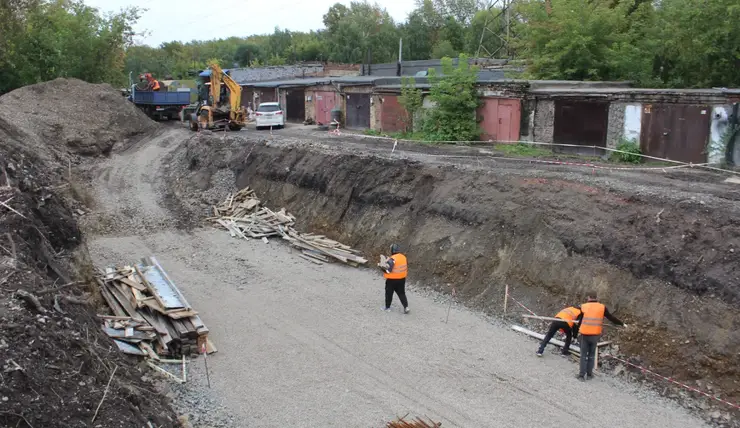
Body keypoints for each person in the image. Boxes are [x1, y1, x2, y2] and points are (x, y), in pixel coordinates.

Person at [575, 292, 627, 381]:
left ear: (588, 297)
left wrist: (576, 333)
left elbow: (579, 321)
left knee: (583, 356)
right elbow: (611, 317)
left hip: (585, 334)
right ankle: (590, 375)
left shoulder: (584, 306)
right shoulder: (602, 307)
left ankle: (581, 376)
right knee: (591, 355)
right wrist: (622, 324)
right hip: (595, 335)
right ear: (596, 297)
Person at [381, 243, 409, 314]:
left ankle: (387, 307)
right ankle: (406, 307)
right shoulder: (403, 257)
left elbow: (388, 270)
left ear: (392, 250)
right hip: (402, 279)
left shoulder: (392, 259)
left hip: (392, 280)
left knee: (389, 293)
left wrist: (382, 267)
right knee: (401, 293)